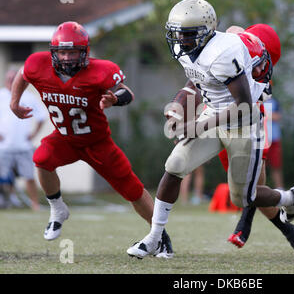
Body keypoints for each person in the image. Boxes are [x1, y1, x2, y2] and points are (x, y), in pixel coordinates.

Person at [127, 0, 294, 258]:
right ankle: (154, 237)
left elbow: (243, 105)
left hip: (243, 124)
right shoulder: (194, 50)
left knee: (243, 197)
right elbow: (196, 83)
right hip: (213, 114)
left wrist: (197, 126)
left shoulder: (224, 53)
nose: (180, 40)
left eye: (186, 35)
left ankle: (289, 198)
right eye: (177, 34)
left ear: (203, 33)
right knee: (175, 165)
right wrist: (177, 108)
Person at [9, 21, 173, 258]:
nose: (66, 58)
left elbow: (127, 92)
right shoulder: (38, 64)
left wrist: (114, 100)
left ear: (84, 53)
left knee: (133, 190)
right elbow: (23, 76)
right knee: (41, 158)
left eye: (72, 52)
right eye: (62, 52)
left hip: (97, 142)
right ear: (53, 52)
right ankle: (58, 209)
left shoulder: (99, 71)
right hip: (64, 138)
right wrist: (14, 102)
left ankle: (160, 236)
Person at [222, 25, 294, 262]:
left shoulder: (259, 76)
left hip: (251, 122)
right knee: (247, 193)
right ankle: (291, 228)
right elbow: (232, 31)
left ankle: (246, 224)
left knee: (252, 187)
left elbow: (260, 90)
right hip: (222, 123)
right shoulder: (231, 48)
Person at [0, 69, 46, 211]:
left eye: (13, 79)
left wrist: (33, 134)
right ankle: (6, 200)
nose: (10, 82)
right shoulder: (1, 95)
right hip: (3, 146)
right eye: (8, 79)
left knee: (29, 177)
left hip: (23, 145)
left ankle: (35, 204)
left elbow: (41, 117)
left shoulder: (28, 97)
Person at [264, 96, 284, 188]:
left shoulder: (274, 101)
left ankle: (279, 188)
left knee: (276, 165)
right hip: (261, 139)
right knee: (260, 166)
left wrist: (264, 115)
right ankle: (259, 189)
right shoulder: (254, 99)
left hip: (274, 138)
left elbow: (278, 116)